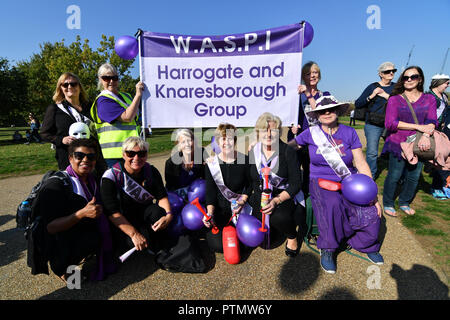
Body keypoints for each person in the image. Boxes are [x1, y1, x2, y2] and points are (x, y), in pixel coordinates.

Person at [288, 95, 383, 274]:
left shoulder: (349, 132)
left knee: (370, 207)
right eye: (322, 111)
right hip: (320, 180)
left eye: (331, 109)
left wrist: (373, 196)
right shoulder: (310, 133)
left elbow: (361, 162)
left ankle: (367, 244)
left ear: (338, 111)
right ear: (317, 115)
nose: (327, 113)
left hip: (348, 178)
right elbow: (288, 146)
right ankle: (328, 247)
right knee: (332, 204)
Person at [37, 138, 115, 282]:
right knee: (90, 239)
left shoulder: (94, 179)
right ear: (70, 158)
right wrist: (81, 214)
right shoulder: (55, 186)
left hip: (80, 227)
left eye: (91, 157)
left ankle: (91, 253)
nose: (85, 160)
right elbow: (51, 228)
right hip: (57, 237)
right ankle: (61, 266)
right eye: (79, 156)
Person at [100, 136, 173, 256]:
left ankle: (154, 239)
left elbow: (162, 197)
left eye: (142, 154)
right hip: (124, 220)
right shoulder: (111, 176)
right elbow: (112, 212)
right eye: (131, 154)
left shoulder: (151, 171)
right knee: (132, 243)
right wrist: (134, 234)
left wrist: (168, 216)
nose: (136, 158)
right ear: (123, 155)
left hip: (145, 215)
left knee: (159, 212)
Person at [382, 66, 437, 216]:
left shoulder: (429, 99)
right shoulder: (395, 99)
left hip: (420, 143)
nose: (409, 80)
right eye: (406, 77)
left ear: (420, 79)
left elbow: (432, 120)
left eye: (413, 76)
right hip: (398, 143)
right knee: (395, 174)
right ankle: (388, 202)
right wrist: (420, 127)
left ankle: (404, 202)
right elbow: (390, 123)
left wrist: (425, 135)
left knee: (413, 176)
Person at [248, 113, 302, 257]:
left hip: (282, 196)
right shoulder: (254, 151)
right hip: (260, 196)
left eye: (273, 130)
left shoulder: (287, 151)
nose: (269, 134)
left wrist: (276, 200)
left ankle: (292, 237)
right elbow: (251, 179)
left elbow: (296, 183)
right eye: (265, 130)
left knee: (279, 218)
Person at [41, 72, 106, 173]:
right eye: (65, 85)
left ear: (79, 87)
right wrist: (61, 140)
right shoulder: (54, 109)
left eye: (73, 84)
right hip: (68, 158)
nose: (69, 87)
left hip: (93, 157)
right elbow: (44, 134)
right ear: (60, 88)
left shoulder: (92, 107)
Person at [204, 123, 252, 252]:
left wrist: (242, 201)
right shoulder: (211, 164)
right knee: (218, 246)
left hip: (240, 207)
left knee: (246, 242)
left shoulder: (245, 160)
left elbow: (250, 184)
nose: (226, 142)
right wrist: (210, 214)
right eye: (223, 139)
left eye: (230, 138)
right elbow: (210, 193)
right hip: (220, 208)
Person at [287, 61, 331, 197]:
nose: (312, 76)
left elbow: (320, 113)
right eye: (308, 73)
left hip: (315, 139)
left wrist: (307, 93)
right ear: (302, 77)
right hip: (296, 136)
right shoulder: (294, 95)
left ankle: (308, 195)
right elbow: (285, 112)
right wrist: (290, 124)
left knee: (309, 169)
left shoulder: (325, 95)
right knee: (292, 168)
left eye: (315, 72)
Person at [90, 63, 144, 167]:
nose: (111, 81)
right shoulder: (103, 100)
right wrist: (138, 95)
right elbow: (127, 117)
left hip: (133, 150)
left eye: (114, 78)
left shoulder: (126, 96)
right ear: (100, 79)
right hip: (116, 155)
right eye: (106, 78)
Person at [354, 62, 397, 179]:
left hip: (392, 124)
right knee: (372, 153)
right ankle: (369, 177)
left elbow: (401, 104)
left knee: (396, 152)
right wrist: (371, 96)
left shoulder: (396, 87)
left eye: (393, 71)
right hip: (373, 124)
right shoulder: (372, 86)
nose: (391, 73)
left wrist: (384, 95)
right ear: (381, 74)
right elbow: (358, 103)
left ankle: (397, 177)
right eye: (388, 71)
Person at [427, 74, 449, 199]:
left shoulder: (444, 97)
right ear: (439, 83)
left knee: (439, 159)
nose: (447, 85)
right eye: (446, 83)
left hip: (439, 131)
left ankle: (437, 186)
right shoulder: (429, 96)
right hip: (428, 129)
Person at [165, 128, 205, 197]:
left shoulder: (202, 154)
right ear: (179, 145)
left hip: (200, 197)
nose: (187, 144)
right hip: (179, 199)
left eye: (189, 140)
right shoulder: (171, 163)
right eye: (183, 142)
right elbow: (170, 187)